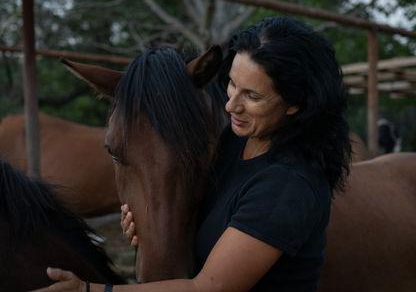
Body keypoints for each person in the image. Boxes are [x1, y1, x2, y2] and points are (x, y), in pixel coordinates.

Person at [33, 16, 351, 292]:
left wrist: (91, 289)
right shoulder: (232, 145)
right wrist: (148, 224)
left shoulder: (287, 183)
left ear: (295, 103)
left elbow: (210, 286)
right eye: (231, 84)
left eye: (252, 96)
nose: (231, 106)